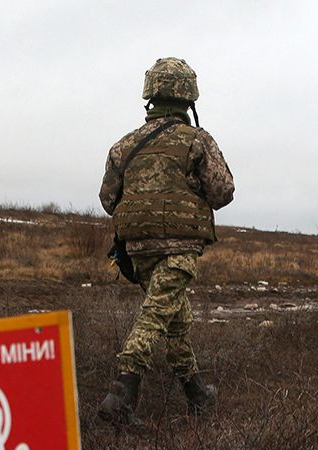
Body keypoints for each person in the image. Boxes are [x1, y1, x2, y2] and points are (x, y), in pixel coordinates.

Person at [97, 57, 235, 425]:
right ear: (188, 97)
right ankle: (122, 392)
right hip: (179, 246)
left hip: (138, 249)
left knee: (175, 316)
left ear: (150, 95)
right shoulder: (197, 140)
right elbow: (222, 192)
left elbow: (108, 200)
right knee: (157, 314)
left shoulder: (123, 146)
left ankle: (196, 391)